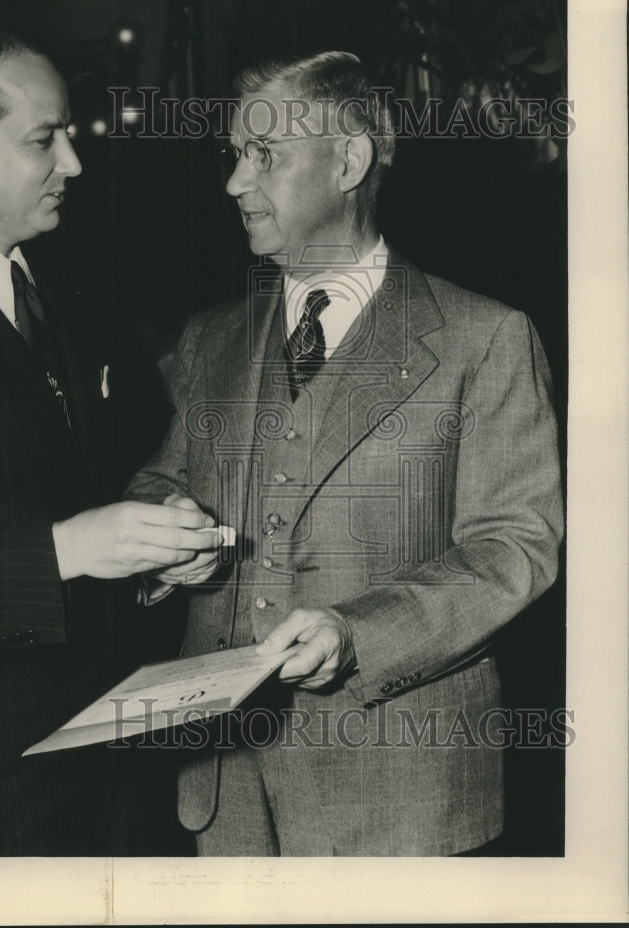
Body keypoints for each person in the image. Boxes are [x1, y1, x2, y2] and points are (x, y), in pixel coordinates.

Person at [127, 51, 564, 856]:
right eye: (232, 156)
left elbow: (515, 548)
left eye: (263, 156)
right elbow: (166, 476)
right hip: (223, 792)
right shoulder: (209, 338)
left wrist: (359, 633)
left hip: (400, 798)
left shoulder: (483, 337)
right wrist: (165, 533)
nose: (232, 183)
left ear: (349, 161)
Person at [0, 26, 220, 856]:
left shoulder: (43, 282)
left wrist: (149, 548)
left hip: (85, 771)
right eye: (43, 140)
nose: (74, 163)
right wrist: (68, 550)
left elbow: (55, 491)